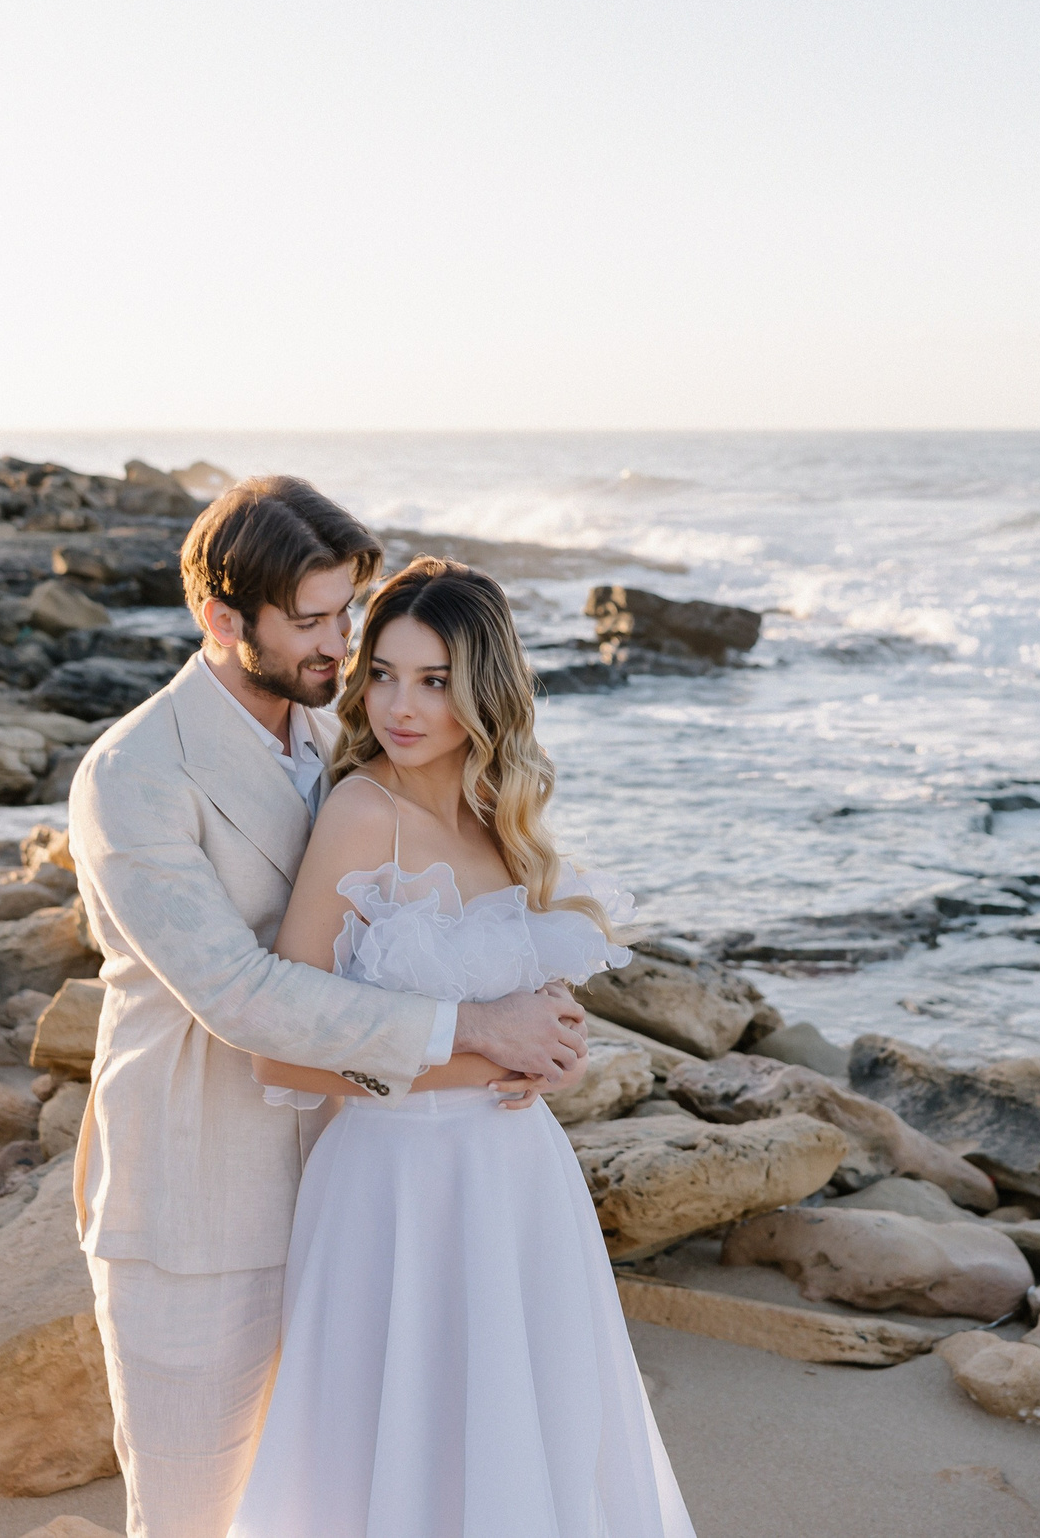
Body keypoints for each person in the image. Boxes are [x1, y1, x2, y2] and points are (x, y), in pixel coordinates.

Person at [67, 479, 591, 1538]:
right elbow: (240, 993)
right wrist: (477, 1034)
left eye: (345, 611)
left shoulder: (334, 742)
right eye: (311, 621)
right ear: (223, 619)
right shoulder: (134, 775)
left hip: (355, 1193)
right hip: (201, 1199)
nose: (341, 645)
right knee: (194, 1515)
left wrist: (533, 1007)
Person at [231, 556, 697, 1538]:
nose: (400, 706)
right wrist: (489, 1055)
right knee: (403, 1453)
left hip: (520, 1182)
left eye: (434, 680)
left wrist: (556, 1044)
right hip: (395, 1189)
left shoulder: (501, 818)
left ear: (484, 689)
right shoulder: (363, 814)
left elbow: (527, 995)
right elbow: (279, 1051)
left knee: (525, 1446)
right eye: (383, 674)